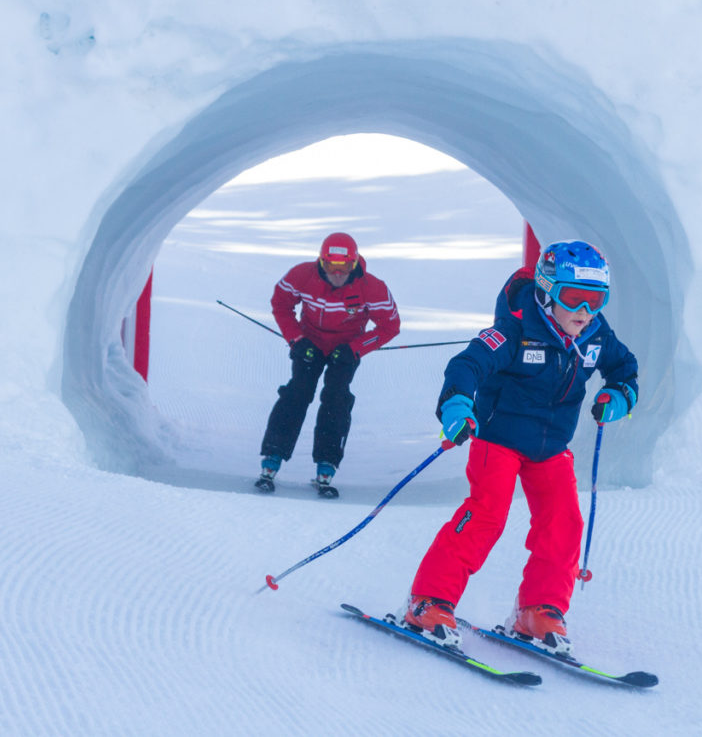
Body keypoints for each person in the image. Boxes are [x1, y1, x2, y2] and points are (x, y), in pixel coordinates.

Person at [400, 239, 638, 652]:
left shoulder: (595, 334)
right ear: (547, 294)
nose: (585, 313)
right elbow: (467, 364)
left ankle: (539, 610)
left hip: (551, 448)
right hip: (499, 439)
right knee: (486, 516)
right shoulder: (515, 328)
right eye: (574, 299)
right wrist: (458, 403)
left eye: (596, 300)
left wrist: (619, 395)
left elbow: (624, 368)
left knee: (564, 523)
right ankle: (428, 600)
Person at [256, 232, 400, 497]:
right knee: (298, 392)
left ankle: (327, 462)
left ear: (354, 264)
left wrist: (355, 349)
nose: (337, 273)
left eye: (344, 266)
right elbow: (281, 303)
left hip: (344, 350)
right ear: (321, 262)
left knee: (336, 396)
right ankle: (272, 457)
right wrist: (296, 339)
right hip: (309, 344)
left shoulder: (372, 287)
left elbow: (391, 326)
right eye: (330, 266)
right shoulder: (302, 275)